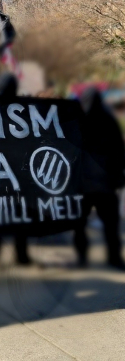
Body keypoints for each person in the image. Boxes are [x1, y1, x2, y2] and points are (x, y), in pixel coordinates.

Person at [74, 87, 125, 269]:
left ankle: (82, 257)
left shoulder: (76, 119)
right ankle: (113, 257)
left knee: (80, 223)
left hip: (85, 183)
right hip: (103, 182)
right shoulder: (107, 119)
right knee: (109, 224)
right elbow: (119, 150)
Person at [0, 73, 32, 265]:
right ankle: (19, 253)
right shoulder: (25, 110)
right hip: (16, 171)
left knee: (0, 212)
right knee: (19, 213)